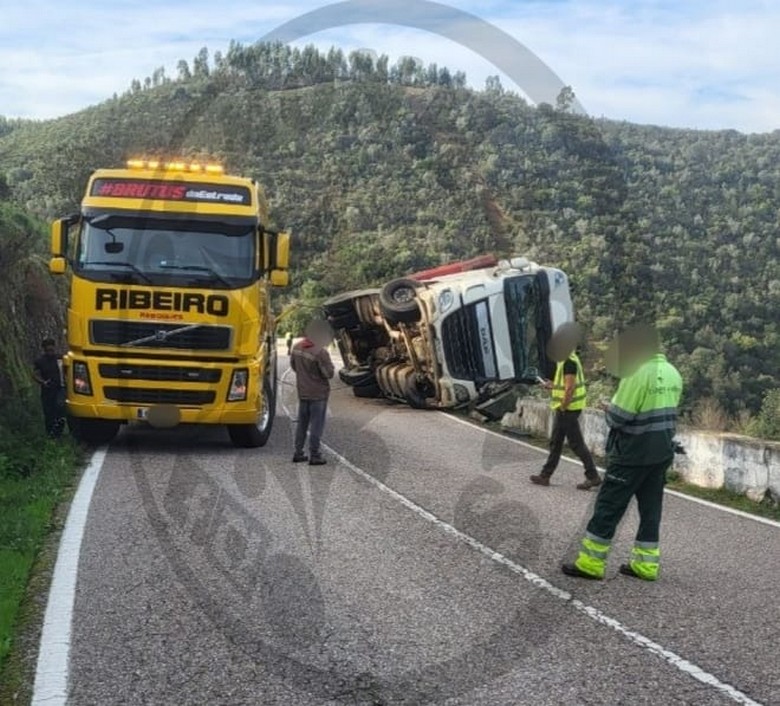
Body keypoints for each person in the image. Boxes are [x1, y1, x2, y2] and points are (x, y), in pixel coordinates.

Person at [562, 325, 683, 581]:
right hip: (661, 452)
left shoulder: (636, 373)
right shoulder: (673, 372)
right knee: (651, 510)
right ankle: (645, 566)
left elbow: (619, 417)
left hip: (632, 453)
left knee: (609, 506)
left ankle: (591, 563)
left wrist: (608, 408)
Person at [530, 342, 601, 490]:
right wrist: (552, 385)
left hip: (568, 409)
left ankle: (593, 476)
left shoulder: (568, 362)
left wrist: (563, 406)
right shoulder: (568, 359)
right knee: (556, 442)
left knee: (576, 444)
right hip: (567, 409)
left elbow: (569, 388)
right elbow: (564, 385)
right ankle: (545, 475)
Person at [290, 319, 335, 465]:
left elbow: (294, 366)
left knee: (302, 424)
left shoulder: (296, 347)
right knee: (316, 425)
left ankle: (298, 453)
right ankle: (315, 455)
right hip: (318, 394)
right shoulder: (320, 352)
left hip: (303, 392)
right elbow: (328, 374)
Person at [32, 338, 65, 438]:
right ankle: (50, 434)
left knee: (59, 409)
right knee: (48, 412)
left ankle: (59, 433)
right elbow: (35, 374)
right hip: (47, 390)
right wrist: (42, 382)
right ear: (44, 349)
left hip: (60, 389)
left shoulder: (60, 358)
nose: (50, 351)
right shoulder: (40, 361)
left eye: (51, 349)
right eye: (48, 349)